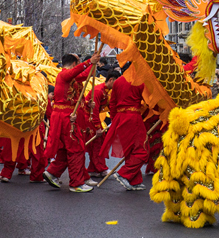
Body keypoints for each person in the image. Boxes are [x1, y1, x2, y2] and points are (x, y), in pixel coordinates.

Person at [43, 51, 100, 193]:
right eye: (78, 62)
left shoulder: (71, 78)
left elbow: (85, 76)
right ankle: (76, 183)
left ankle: (52, 173)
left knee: (65, 149)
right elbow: (77, 72)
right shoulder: (63, 75)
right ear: (74, 63)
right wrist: (88, 62)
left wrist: (93, 65)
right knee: (76, 149)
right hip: (65, 117)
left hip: (67, 116)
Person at [101, 74, 148, 191]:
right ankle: (124, 174)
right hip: (133, 117)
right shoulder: (141, 80)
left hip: (120, 118)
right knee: (143, 150)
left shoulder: (118, 81)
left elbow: (112, 103)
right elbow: (149, 101)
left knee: (130, 149)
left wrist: (115, 119)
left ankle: (134, 180)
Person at [84, 71, 115, 179]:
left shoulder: (107, 91)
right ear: (111, 80)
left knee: (99, 142)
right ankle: (101, 168)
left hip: (92, 117)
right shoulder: (98, 91)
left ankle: (93, 169)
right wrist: (97, 127)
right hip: (89, 118)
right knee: (97, 143)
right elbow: (94, 111)